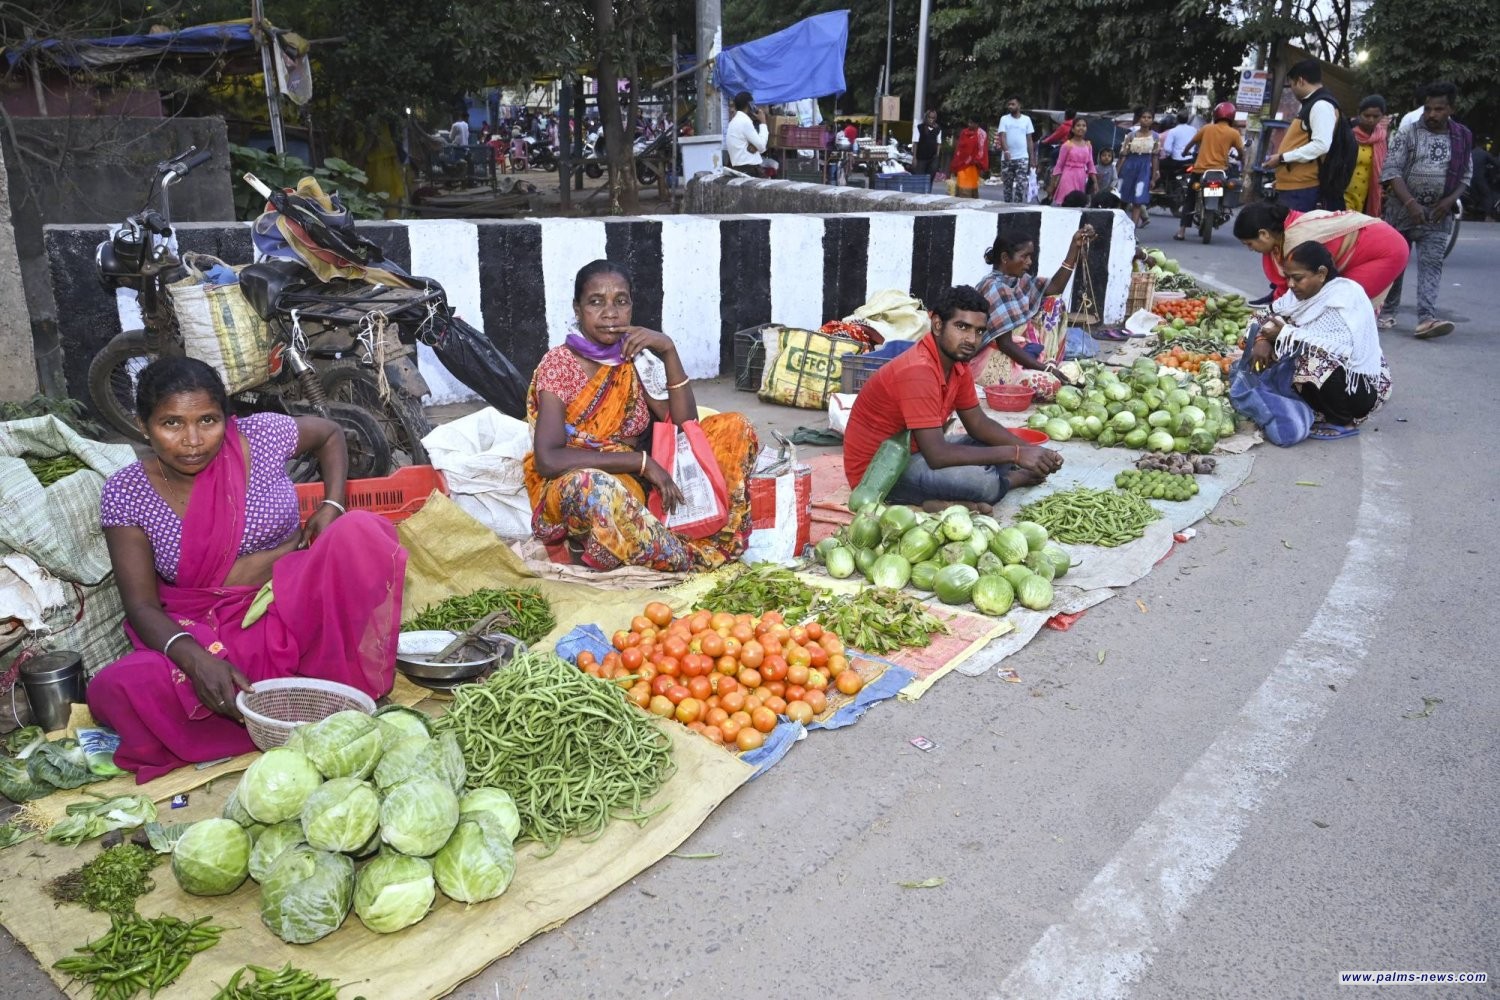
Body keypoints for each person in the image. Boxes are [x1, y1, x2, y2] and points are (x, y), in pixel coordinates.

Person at [86, 358, 406, 781]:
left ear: (227, 418)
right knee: (118, 687)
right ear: (142, 425)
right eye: (171, 424)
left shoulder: (260, 437)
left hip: (296, 598)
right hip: (213, 628)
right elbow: (142, 606)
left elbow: (330, 434)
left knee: (360, 532)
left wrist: (332, 503)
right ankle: (298, 694)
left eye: (208, 420)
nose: (193, 440)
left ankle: (325, 680)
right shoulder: (128, 492)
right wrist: (197, 661)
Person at [523, 260, 758, 572]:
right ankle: (680, 555)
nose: (610, 313)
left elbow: (686, 427)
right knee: (591, 487)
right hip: (583, 480)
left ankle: (696, 536)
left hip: (638, 485)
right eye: (596, 302)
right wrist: (642, 463)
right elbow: (548, 460)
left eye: (621, 301)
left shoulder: (636, 358)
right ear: (577, 309)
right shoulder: (560, 365)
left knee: (733, 427)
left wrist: (668, 350)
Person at [843, 286, 1064, 508]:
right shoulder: (918, 370)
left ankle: (940, 502)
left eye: (979, 331)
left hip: (915, 450)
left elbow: (978, 423)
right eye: (962, 327)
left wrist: (1032, 451)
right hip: (878, 471)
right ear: (937, 325)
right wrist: (1016, 455)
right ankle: (1009, 482)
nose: (971, 339)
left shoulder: (958, 363)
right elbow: (938, 455)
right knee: (983, 481)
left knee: (992, 447)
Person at [1248, 241, 1391, 440]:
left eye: (1297, 278)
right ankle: (1321, 411)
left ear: (1321, 274)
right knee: (1272, 349)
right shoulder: (1296, 296)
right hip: (1338, 382)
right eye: (1288, 278)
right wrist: (1262, 339)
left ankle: (1342, 421)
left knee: (1311, 358)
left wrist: (1285, 334)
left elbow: (1340, 346)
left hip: (1360, 390)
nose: (1290, 285)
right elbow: (1261, 317)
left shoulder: (1345, 295)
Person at [1380, 82, 1471, 339]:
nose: (1432, 114)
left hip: (1438, 215)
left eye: (1439, 109)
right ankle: (1386, 311)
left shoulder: (1461, 137)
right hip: (1401, 212)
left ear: (1451, 109)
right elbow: (1391, 171)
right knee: (1396, 262)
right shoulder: (1407, 133)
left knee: (1432, 265)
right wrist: (1410, 203)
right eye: (1428, 109)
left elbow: (1466, 174)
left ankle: (1426, 318)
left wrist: (1448, 200)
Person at [972, 226, 1097, 387]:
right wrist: (1046, 370)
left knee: (1054, 303)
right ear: (1004, 257)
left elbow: (1054, 288)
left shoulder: (1017, 280)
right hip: (993, 358)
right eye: (1024, 256)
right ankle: (1040, 367)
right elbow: (1005, 344)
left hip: (1016, 350)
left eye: (1030, 256)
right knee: (1048, 386)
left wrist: (1074, 247)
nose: (1029, 262)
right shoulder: (994, 287)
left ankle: (1042, 363)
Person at [1233, 202, 1410, 312]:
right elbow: (1288, 290)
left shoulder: (1298, 239)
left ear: (1264, 234)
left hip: (1386, 250)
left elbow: (1310, 292)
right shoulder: (1284, 232)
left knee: (1339, 307)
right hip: (1373, 241)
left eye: (1249, 244)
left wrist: (1275, 317)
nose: (1250, 249)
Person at [1262, 58, 1352, 211]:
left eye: (1292, 85)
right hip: (1295, 188)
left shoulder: (1321, 105)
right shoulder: (1312, 104)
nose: (1292, 90)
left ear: (1301, 81)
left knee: (1294, 234)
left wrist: (1282, 158)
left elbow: (1321, 145)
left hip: (1303, 190)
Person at [1174, 102, 1244, 240]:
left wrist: (1184, 152)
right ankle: (1221, 208)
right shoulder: (1234, 133)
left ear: (1216, 115)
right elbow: (1241, 152)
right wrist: (1240, 157)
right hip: (1220, 171)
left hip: (1200, 170)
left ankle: (1181, 232)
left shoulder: (1206, 128)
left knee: (1190, 199)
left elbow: (1192, 143)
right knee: (1227, 188)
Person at [1346, 96, 1392, 215]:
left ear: (1382, 116)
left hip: (1367, 195)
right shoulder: (1348, 134)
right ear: (1359, 114)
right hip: (1345, 193)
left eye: (1375, 116)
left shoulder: (1381, 138)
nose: (1371, 120)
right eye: (1367, 116)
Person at [1118, 108, 1161, 228]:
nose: (1146, 120)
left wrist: (1154, 176)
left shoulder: (1156, 137)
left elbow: (1155, 157)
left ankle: (1132, 231)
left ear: (1152, 120)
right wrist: (1117, 173)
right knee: (1122, 199)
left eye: (1149, 118)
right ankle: (1120, 227)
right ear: (1139, 119)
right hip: (1129, 168)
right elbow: (1123, 155)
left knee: (1138, 201)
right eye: (1144, 117)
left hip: (1144, 169)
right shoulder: (1131, 135)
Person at [997, 98, 1037, 203]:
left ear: (1019, 105)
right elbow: (1002, 136)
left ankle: (1017, 207)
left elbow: (1029, 140)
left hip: (1022, 157)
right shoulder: (1004, 119)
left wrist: (1032, 158)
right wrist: (1006, 151)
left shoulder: (1026, 119)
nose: (1010, 106)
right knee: (1007, 186)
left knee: (1021, 184)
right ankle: (1007, 208)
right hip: (1007, 158)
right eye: (1009, 104)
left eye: (1013, 104)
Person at [1049, 117, 1095, 204]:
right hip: (1068, 177)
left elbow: (1091, 165)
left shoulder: (1088, 145)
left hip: (1081, 178)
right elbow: (1059, 165)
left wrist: (1095, 182)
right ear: (1073, 129)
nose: (1081, 128)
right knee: (1067, 202)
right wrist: (1052, 185)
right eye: (1078, 125)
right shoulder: (1067, 145)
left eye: (1084, 126)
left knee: (1078, 204)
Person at [725, 92, 770, 177]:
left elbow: (756, 146)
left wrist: (755, 146)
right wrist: (763, 122)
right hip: (749, 170)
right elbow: (762, 146)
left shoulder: (733, 122)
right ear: (750, 105)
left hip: (739, 168)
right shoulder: (744, 121)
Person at [1158, 113, 1198, 203]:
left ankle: (1160, 185)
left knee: (1158, 164)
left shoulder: (1173, 131)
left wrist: (1170, 153)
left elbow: (1167, 148)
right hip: (1190, 159)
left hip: (1176, 160)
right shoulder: (1194, 130)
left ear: (1177, 120)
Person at [950, 116, 990, 198]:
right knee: (961, 185)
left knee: (971, 186)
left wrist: (978, 162)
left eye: (971, 123)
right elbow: (959, 149)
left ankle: (970, 207)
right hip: (961, 164)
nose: (969, 124)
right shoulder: (964, 132)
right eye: (969, 122)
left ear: (977, 124)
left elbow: (982, 150)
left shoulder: (981, 134)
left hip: (973, 165)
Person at [913, 109, 943, 175]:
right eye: (929, 117)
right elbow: (915, 143)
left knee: (930, 178)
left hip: (932, 158)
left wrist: (937, 155)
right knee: (920, 178)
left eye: (933, 118)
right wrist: (914, 157)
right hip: (921, 158)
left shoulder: (938, 129)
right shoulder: (919, 127)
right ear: (926, 117)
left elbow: (939, 143)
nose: (931, 119)